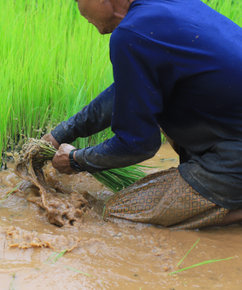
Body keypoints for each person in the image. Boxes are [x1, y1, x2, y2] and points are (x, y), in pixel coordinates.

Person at [42, 0, 242, 229]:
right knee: (159, 107)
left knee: (118, 214)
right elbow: (131, 91)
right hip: (229, 130)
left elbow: (137, 144)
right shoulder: (161, 9)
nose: (78, 8)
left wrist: (76, 159)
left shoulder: (130, 34)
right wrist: (63, 133)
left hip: (233, 153)